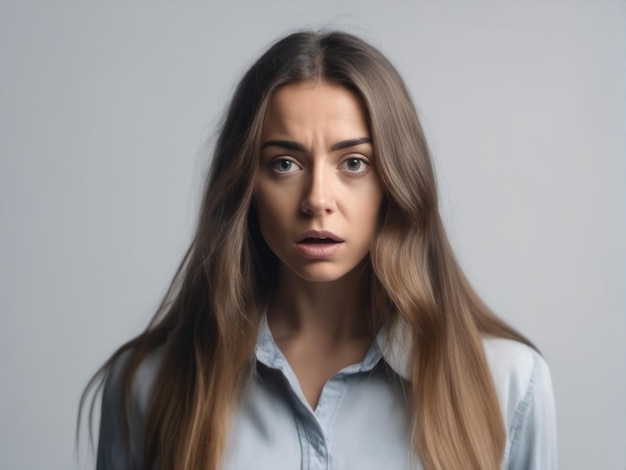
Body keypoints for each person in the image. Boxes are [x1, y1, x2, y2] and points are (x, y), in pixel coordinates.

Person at [80, 30, 557, 470]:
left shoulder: (508, 383)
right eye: (285, 163)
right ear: (246, 182)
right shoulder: (144, 386)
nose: (317, 200)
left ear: (396, 182)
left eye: (354, 162)